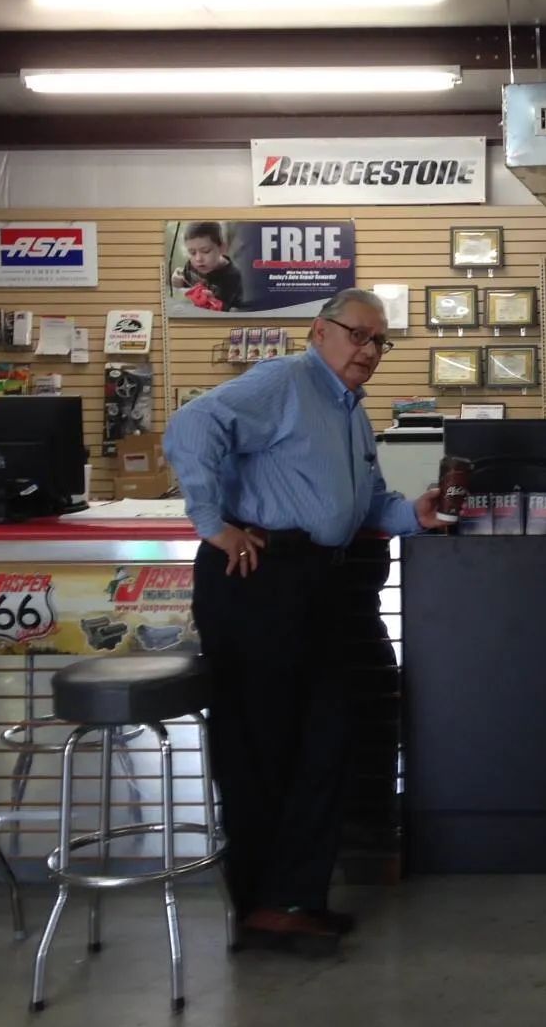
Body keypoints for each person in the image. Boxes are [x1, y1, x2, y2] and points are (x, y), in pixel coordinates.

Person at [164, 288, 445, 954]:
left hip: (315, 581)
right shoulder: (284, 381)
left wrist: (415, 515)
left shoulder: (347, 409)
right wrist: (215, 527)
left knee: (325, 737)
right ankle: (264, 905)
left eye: (380, 341)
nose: (369, 351)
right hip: (258, 576)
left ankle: (293, 899)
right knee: (262, 744)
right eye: (358, 335)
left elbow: (365, 501)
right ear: (320, 331)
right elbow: (191, 427)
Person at [171, 220, 243, 312]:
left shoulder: (236, 278)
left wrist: (216, 304)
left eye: (206, 251)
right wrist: (177, 283)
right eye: (192, 252)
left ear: (222, 248)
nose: (198, 259)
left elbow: (241, 312)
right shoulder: (190, 266)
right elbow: (184, 291)